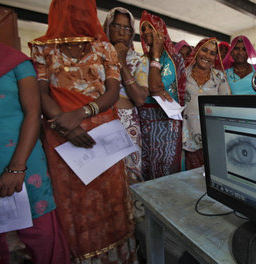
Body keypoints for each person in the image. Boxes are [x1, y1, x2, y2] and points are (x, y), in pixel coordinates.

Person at [29, 0, 136, 262]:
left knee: (110, 200)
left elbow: (112, 92)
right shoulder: (43, 48)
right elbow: (40, 93)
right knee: (73, 203)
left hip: (102, 137)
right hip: (61, 136)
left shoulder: (103, 47)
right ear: (58, 10)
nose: (76, 13)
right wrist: (63, 124)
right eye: (70, 6)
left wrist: (80, 114)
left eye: (82, 7)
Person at [0, 42, 70, 264]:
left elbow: (33, 112)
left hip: (22, 159)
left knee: (42, 235)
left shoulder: (14, 61)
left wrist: (16, 166)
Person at [103, 7, 149, 185]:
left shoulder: (139, 60)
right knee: (106, 175)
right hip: (100, 120)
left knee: (130, 176)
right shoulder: (97, 55)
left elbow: (139, 99)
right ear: (107, 26)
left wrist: (120, 61)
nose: (122, 32)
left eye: (127, 28)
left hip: (127, 123)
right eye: (116, 26)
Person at [139, 10, 186, 180]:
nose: (145, 33)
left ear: (160, 31)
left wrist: (156, 55)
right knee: (148, 166)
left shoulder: (174, 58)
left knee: (166, 169)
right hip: (145, 121)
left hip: (166, 121)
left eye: (150, 28)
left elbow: (155, 87)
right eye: (143, 29)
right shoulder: (141, 59)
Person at [183, 37, 230, 169]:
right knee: (192, 180)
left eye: (212, 53)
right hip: (189, 138)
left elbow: (226, 107)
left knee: (212, 176)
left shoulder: (219, 77)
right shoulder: (184, 73)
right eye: (204, 50)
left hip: (213, 139)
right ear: (197, 51)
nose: (207, 56)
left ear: (216, 57)